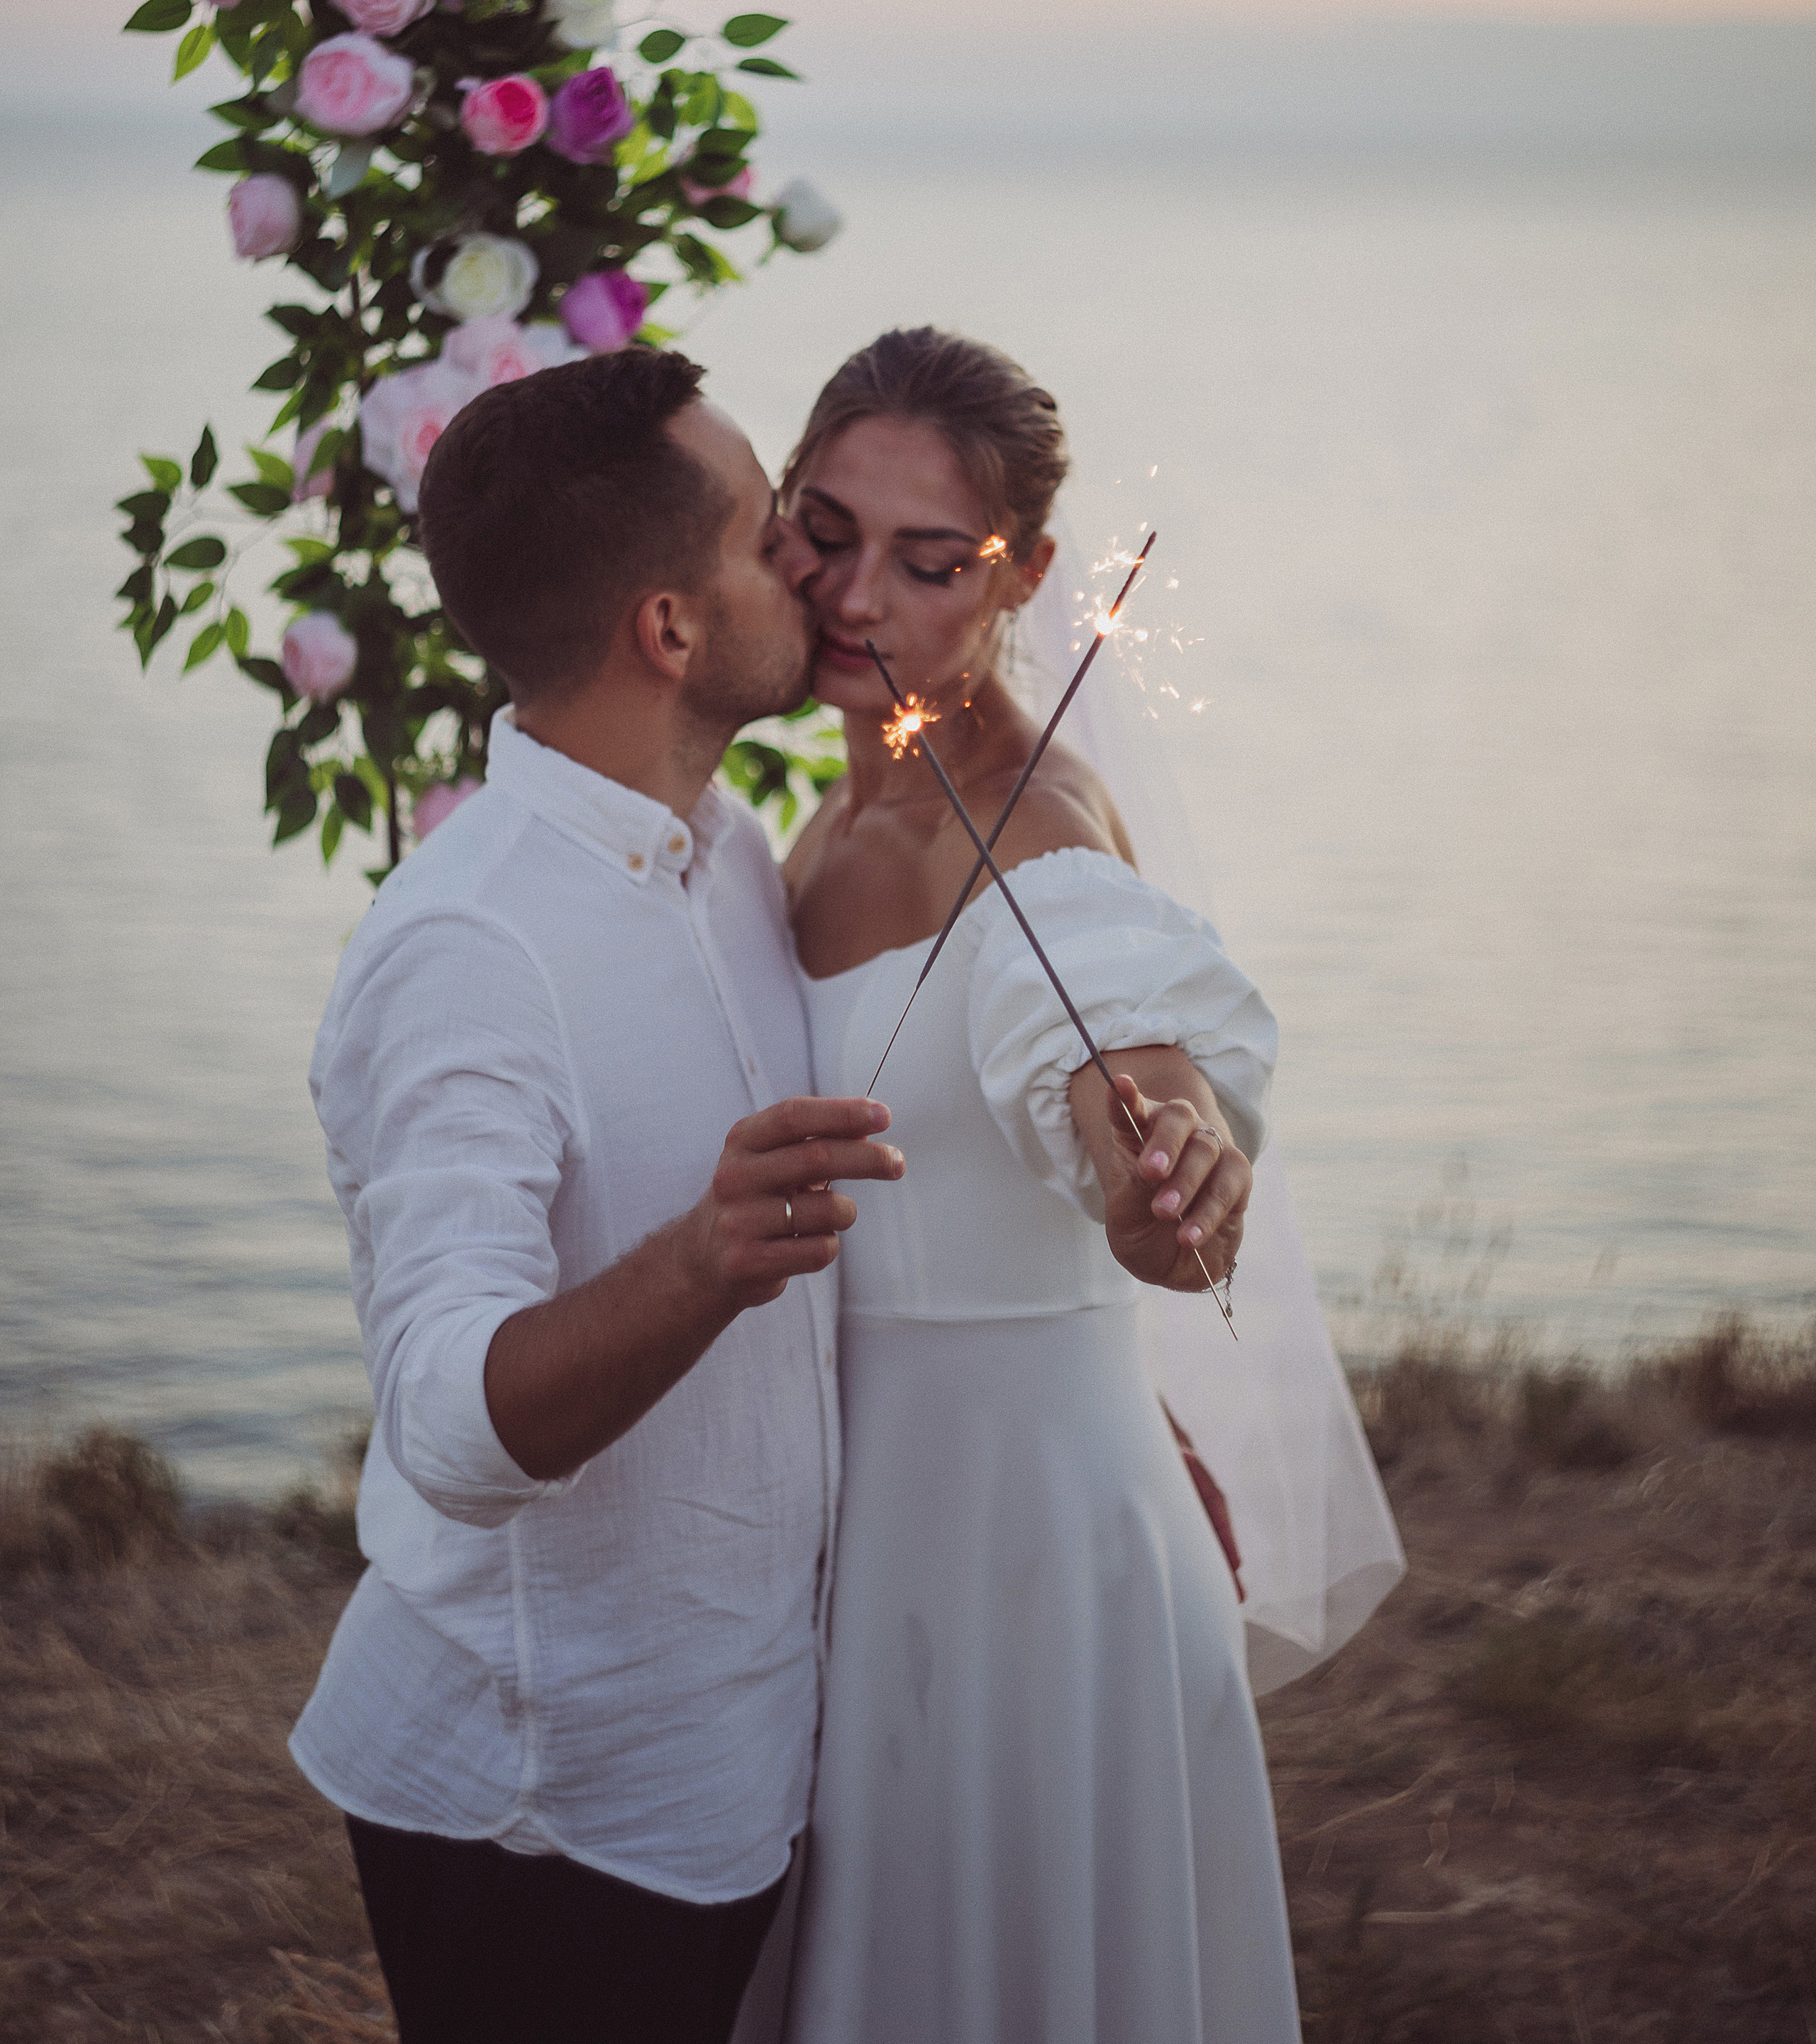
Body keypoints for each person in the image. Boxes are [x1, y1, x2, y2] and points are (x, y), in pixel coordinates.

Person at [289, 349, 914, 2044]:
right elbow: (444, 1422)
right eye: (768, 534)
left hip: (737, 1764)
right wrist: (700, 1260)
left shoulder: (728, 853)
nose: (810, 565)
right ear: (669, 627)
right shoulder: (467, 947)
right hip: (545, 1807)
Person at [772, 329, 1306, 2044]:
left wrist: (1166, 1167)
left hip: (1023, 1557)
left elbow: (1105, 1040)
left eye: (929, 563)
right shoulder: (819, 827)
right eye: (824, 532)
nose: (858, 596)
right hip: (862, 1542)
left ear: (1022, 576)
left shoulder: (1036, 828)